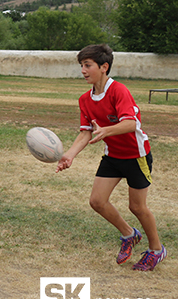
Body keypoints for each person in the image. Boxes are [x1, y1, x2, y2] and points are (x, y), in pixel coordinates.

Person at [57, 44, 165, 271]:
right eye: (81, 66)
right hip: (113, 156)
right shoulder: (85, 99)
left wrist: (106, 130)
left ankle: (156, 250)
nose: (83, 70)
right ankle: (129, 234)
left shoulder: (118, 91)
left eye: (88, 65)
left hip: (137, 155)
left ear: (104, 67)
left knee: (137, 207)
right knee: (97, 201)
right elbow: (86, 131)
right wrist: (70, 155)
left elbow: (130, 123)